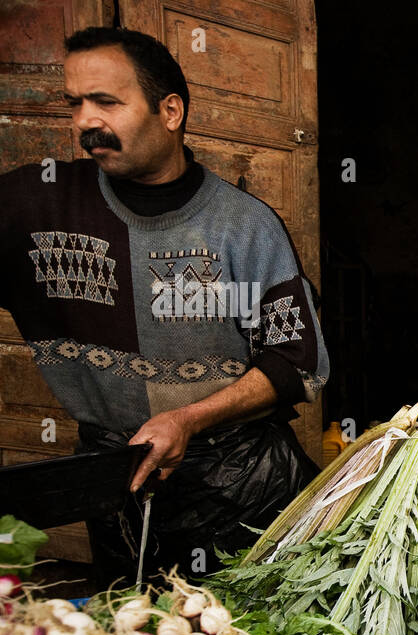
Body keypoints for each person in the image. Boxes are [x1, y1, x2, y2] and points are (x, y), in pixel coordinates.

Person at [0, 27, 329, 589]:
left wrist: (186, 418)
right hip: (117, 478)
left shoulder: (244, 226)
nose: (84, 121)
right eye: (74, 103)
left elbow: (298, 363)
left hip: (239, 481)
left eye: (106, 102)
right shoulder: (35, 205)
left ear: (170, 110)